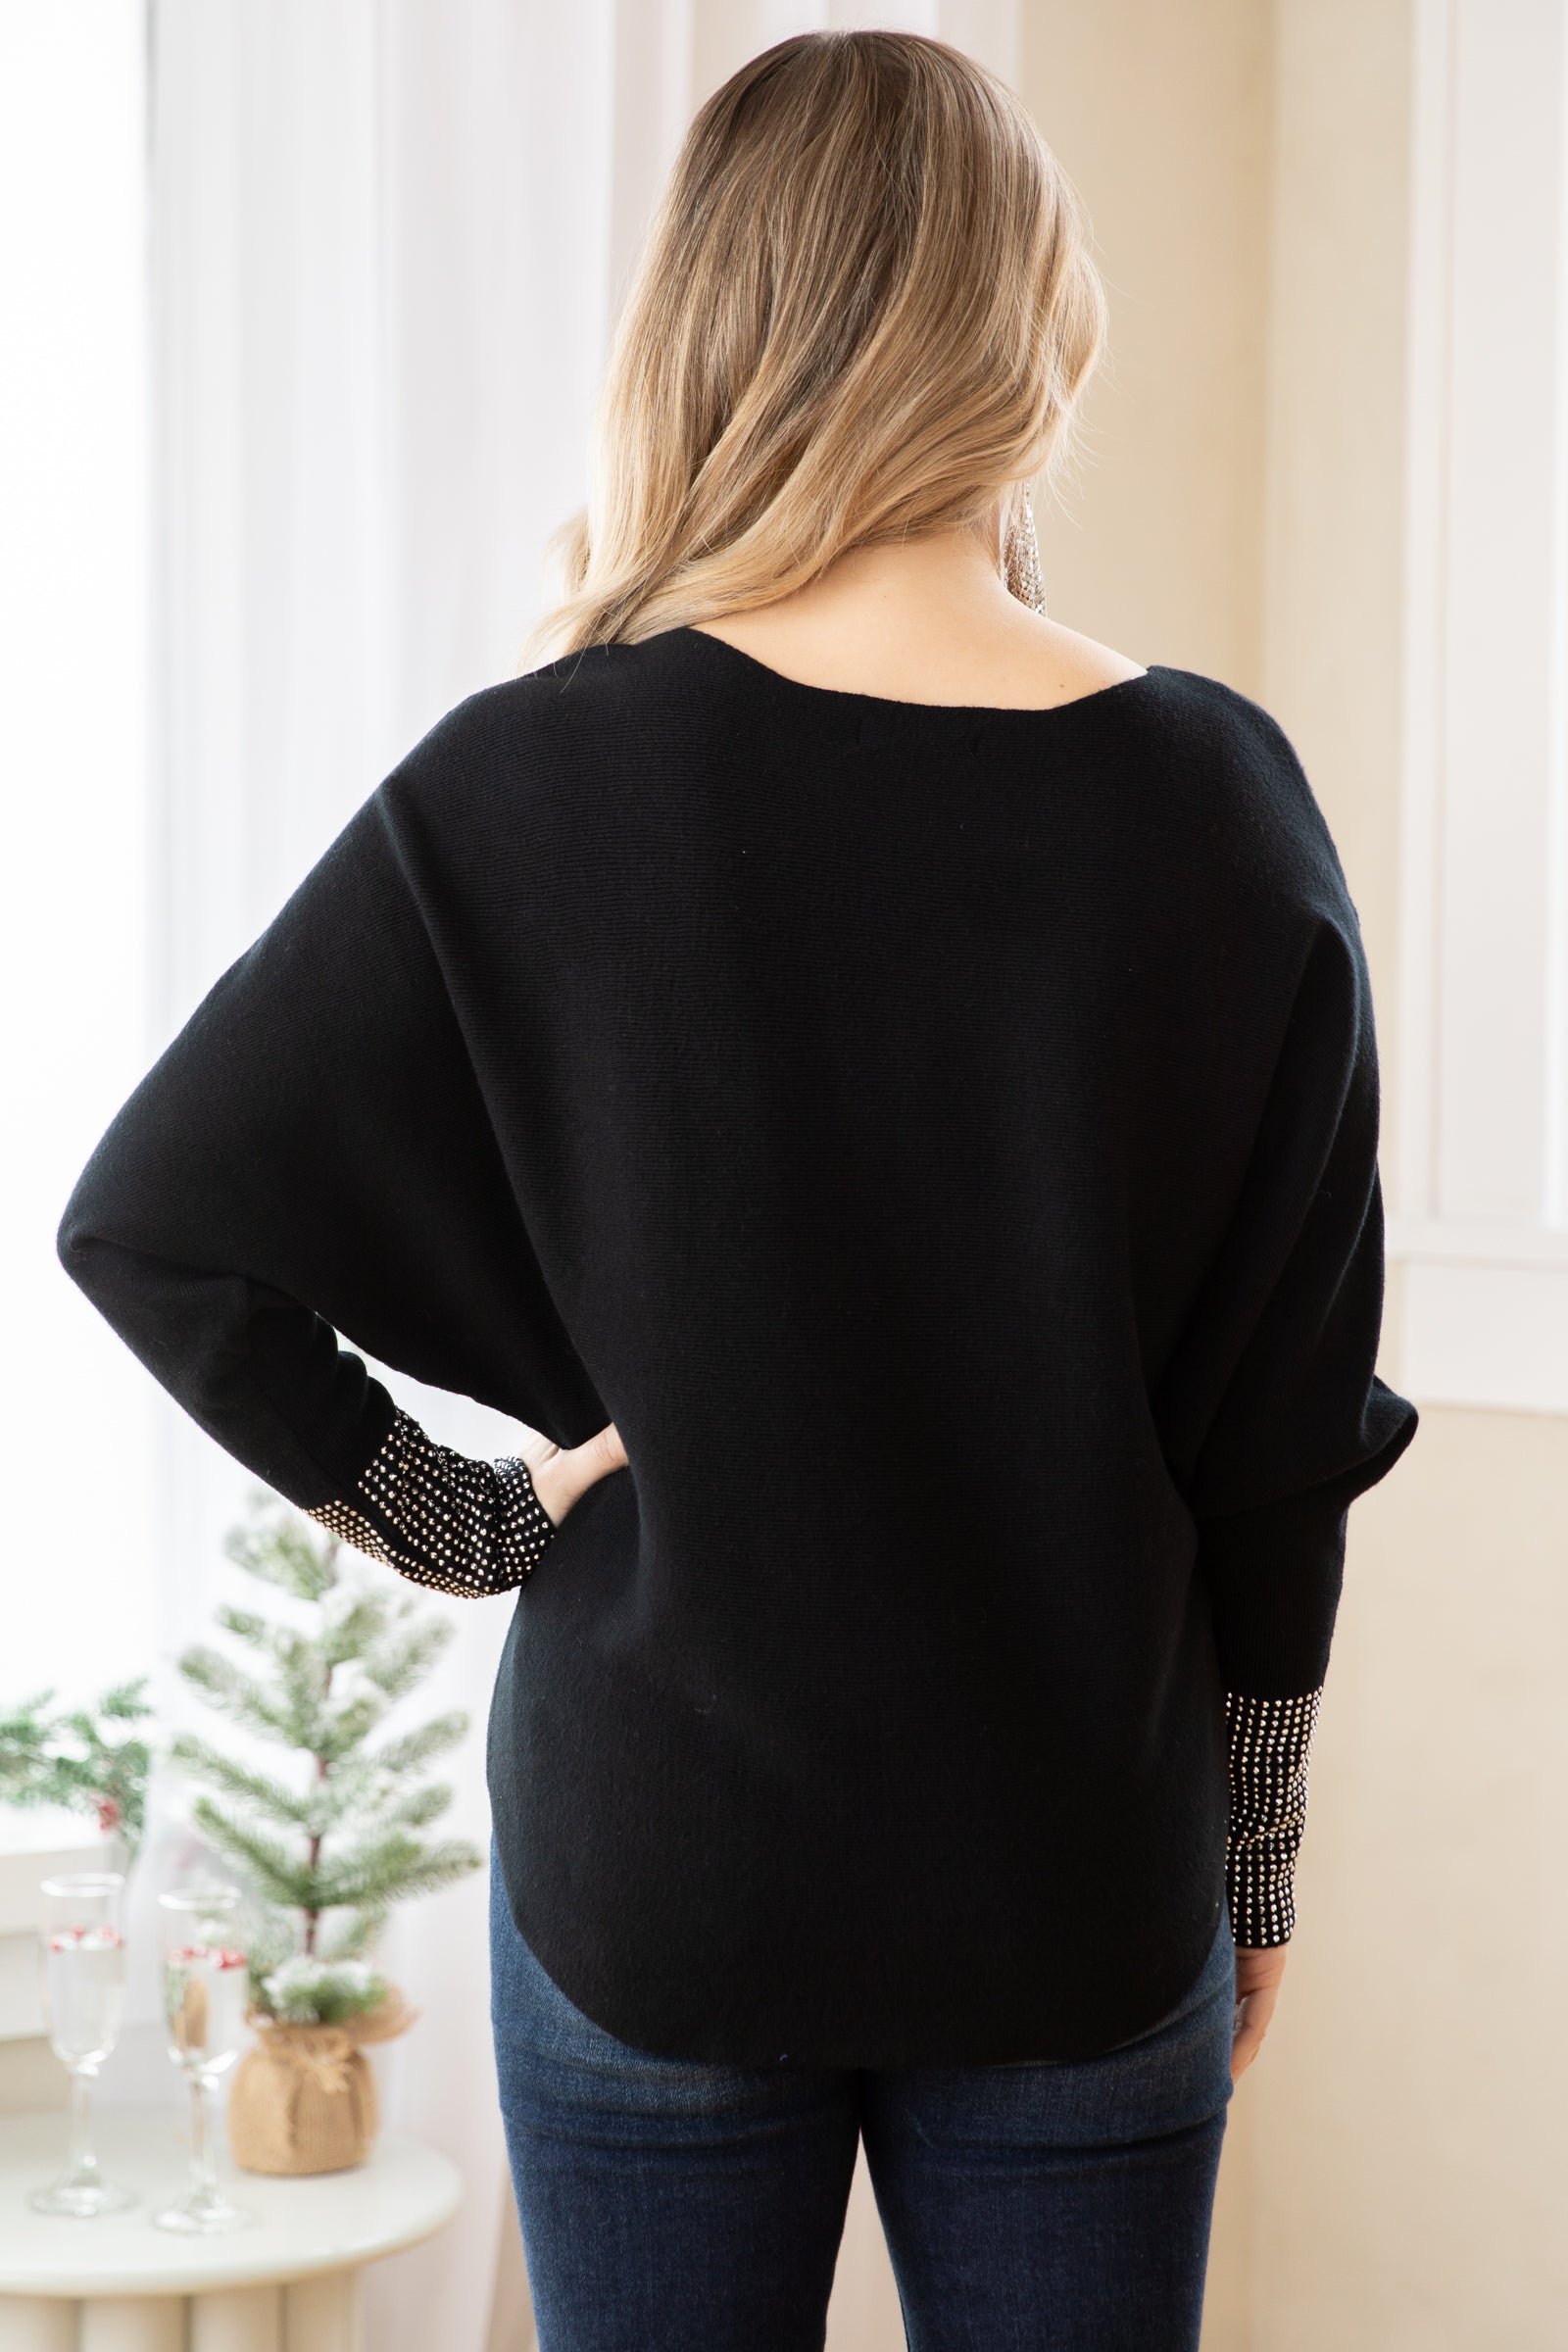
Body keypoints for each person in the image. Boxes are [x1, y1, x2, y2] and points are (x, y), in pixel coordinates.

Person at [57, 27, 1420, 2352]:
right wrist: (1256, 1855)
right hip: (1073, 1876)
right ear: (1030, 321)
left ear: (704, 323)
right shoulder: (1213, 801)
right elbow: (1278, 1436)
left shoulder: (528, 782)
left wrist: (460, 1523)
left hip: (652, 1873)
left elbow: (152, 1225)